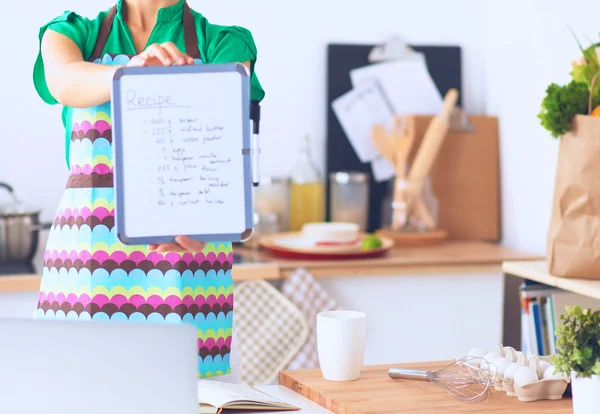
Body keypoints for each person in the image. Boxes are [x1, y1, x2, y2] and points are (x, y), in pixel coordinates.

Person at [33, 0, 265, 382]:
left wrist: (202, 221)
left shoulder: (223, 44)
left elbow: (222, 136)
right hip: (88, 267)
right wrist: (130, 73)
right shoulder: (71, 34)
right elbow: (65, 81)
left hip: (186, 261)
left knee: (186, 396)